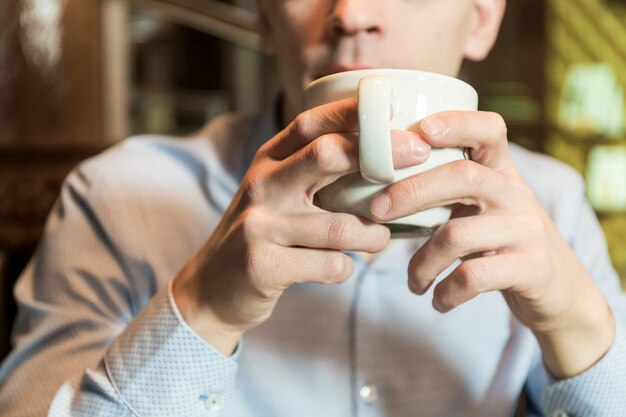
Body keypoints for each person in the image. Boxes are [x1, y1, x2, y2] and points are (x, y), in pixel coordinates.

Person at [1, 0, 625, 415]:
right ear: (265, 19)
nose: (350, 14)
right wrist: (202, 310)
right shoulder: (115, 196)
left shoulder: (553, 205)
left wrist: (581, 329)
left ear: (483, 18)